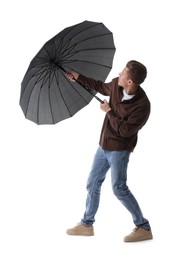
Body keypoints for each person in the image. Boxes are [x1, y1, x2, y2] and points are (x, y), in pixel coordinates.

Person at [65, 60, 153, 242]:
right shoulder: (115, 85)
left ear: (130, 81)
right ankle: (86, 224)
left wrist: (109, 112)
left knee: (119, 188)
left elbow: (126, 131)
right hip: (103, 146)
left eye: (123, 73)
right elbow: (99, 86)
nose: (119, 74)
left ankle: (143, 227)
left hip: (119, 150)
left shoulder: (142, 105)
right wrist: (78, 77)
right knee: (92, 183)